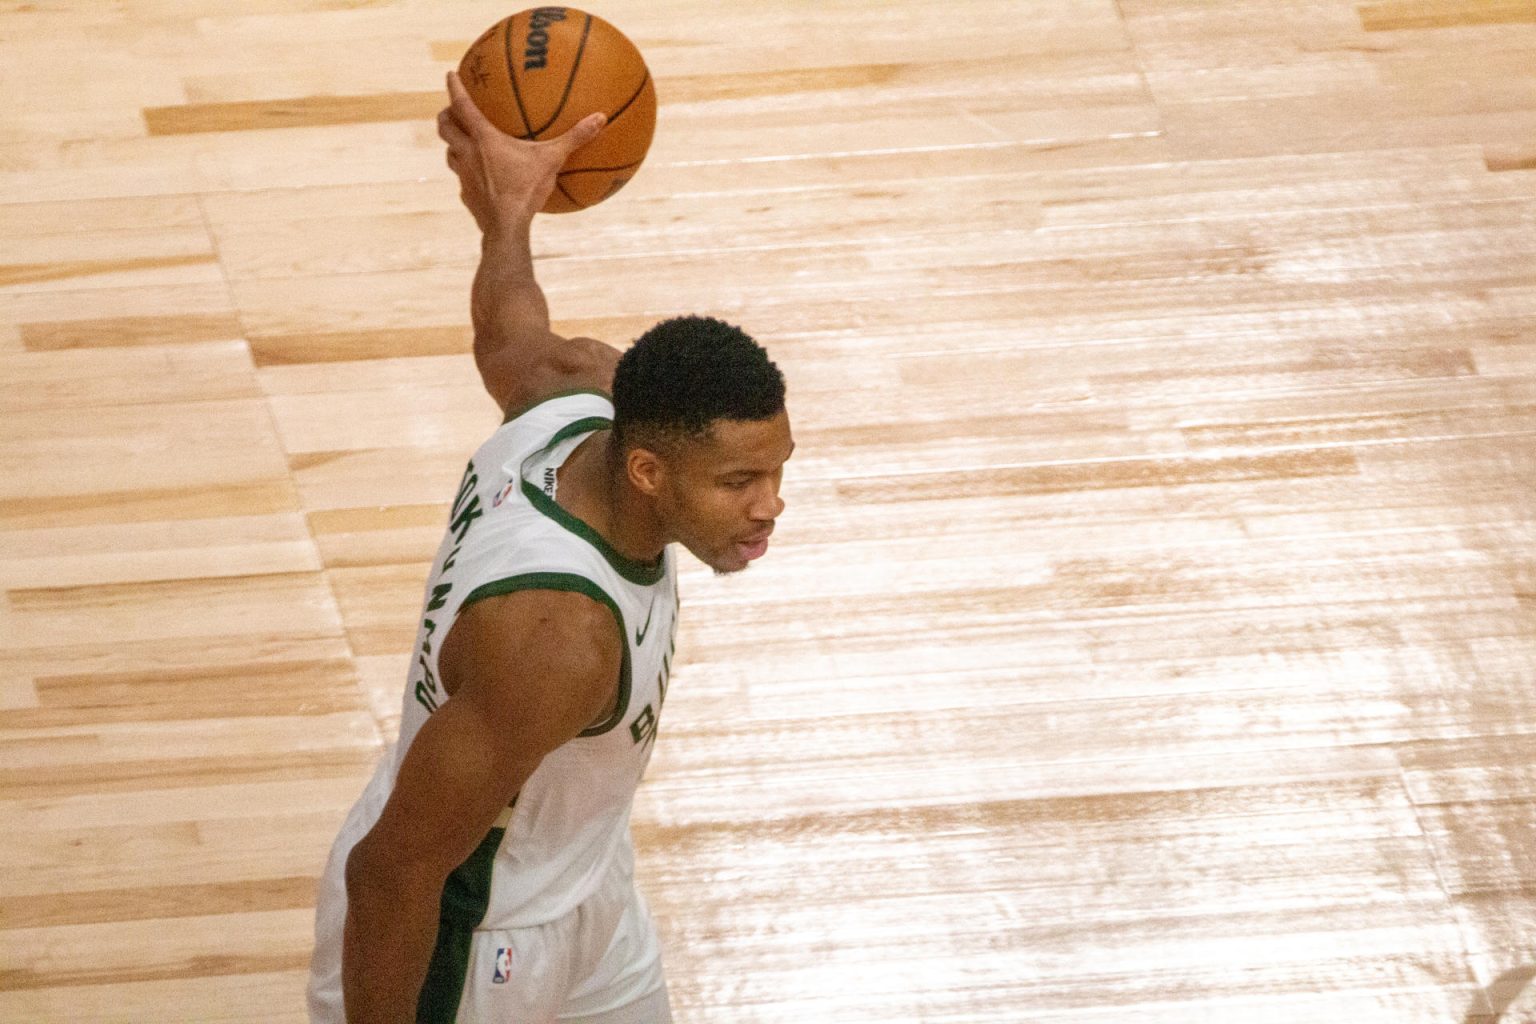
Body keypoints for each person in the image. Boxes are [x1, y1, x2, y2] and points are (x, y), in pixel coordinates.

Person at [306, 71, 794, 1024]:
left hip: (577, 876)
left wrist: (507, 215)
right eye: (740, 483)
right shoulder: (556, 639)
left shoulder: (576, 397)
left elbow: (509, 327)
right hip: (470, 937)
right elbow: (395, 871)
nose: (771, 507)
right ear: (649, 471)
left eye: (776, 471)